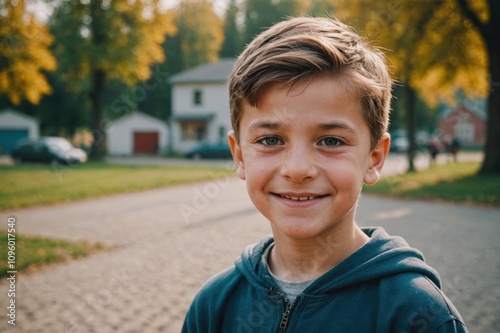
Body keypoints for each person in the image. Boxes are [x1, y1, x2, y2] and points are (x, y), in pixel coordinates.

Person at [182, 17, 467, 332]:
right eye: (270, 140)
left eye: (331, 141)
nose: (297, 169)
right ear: (239, 156)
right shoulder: (214, 306)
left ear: (374, 158)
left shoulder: (416, 313)